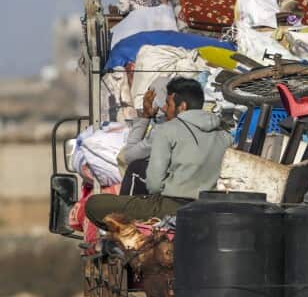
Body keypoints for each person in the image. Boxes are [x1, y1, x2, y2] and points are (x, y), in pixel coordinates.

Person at [85, 78, 231, 226]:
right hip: (210, 209)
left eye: (168, 104)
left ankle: (128, 234)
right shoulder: (225, 134)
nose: (165, 109)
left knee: (94, 204)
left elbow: (154, 185)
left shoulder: (167, 130)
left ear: (182, 106)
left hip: (173, 208)